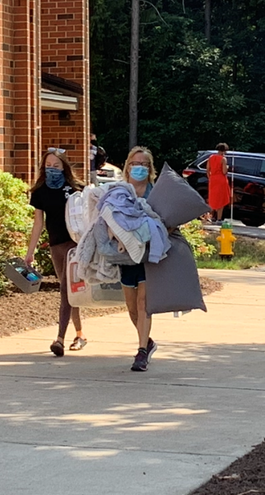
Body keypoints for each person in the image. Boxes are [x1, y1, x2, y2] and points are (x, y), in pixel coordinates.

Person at [25, 148, 87, 356]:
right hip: (56, 245)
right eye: (48, 166)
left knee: (65, 289)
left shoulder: (75, 188)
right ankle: (79, 334)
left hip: (74, 244)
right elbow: (38, 224)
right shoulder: (40, 191)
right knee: (70, 293)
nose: (52, 169)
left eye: (56, 166)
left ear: (64, 167)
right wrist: (30, 252)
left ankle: (59, 338)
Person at [120, 146, 159, 372]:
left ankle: (141, 352)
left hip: (148, 254)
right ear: (128, 166)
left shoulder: (155, 193)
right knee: (132, 307)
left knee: (144, 303)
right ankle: (148, 341)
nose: (140, 168)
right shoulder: (120, 192)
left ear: (150, 168)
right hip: (125, 255)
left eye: (145, 164)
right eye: (136, 164)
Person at [207, 143, 231, 223]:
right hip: (221, 180)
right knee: (221, 199)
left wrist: (210, 178)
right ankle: (219, 219)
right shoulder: (223, 159)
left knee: (213, 198)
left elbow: (207, 170)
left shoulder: (211, 157)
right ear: (224, 151)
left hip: (213, 179)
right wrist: (227, 167)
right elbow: (224, 172)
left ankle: (211, 216)